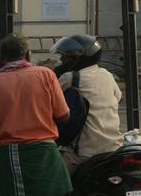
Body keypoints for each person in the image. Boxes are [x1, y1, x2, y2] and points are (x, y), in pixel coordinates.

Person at [0, 34, 72, 196]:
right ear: (28, 55)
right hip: (46, 154)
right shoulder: (46, 74)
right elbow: (64, 115)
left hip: (11, 157)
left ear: (2, 58)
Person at [49, 35, 123, 173]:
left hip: (82, 153)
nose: (62, 60)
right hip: (114, 148)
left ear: (80, 58)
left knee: (50, 180)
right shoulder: (106, 74)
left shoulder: (70, 77)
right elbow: (118, 98)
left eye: (67, 57)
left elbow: (49, 101)